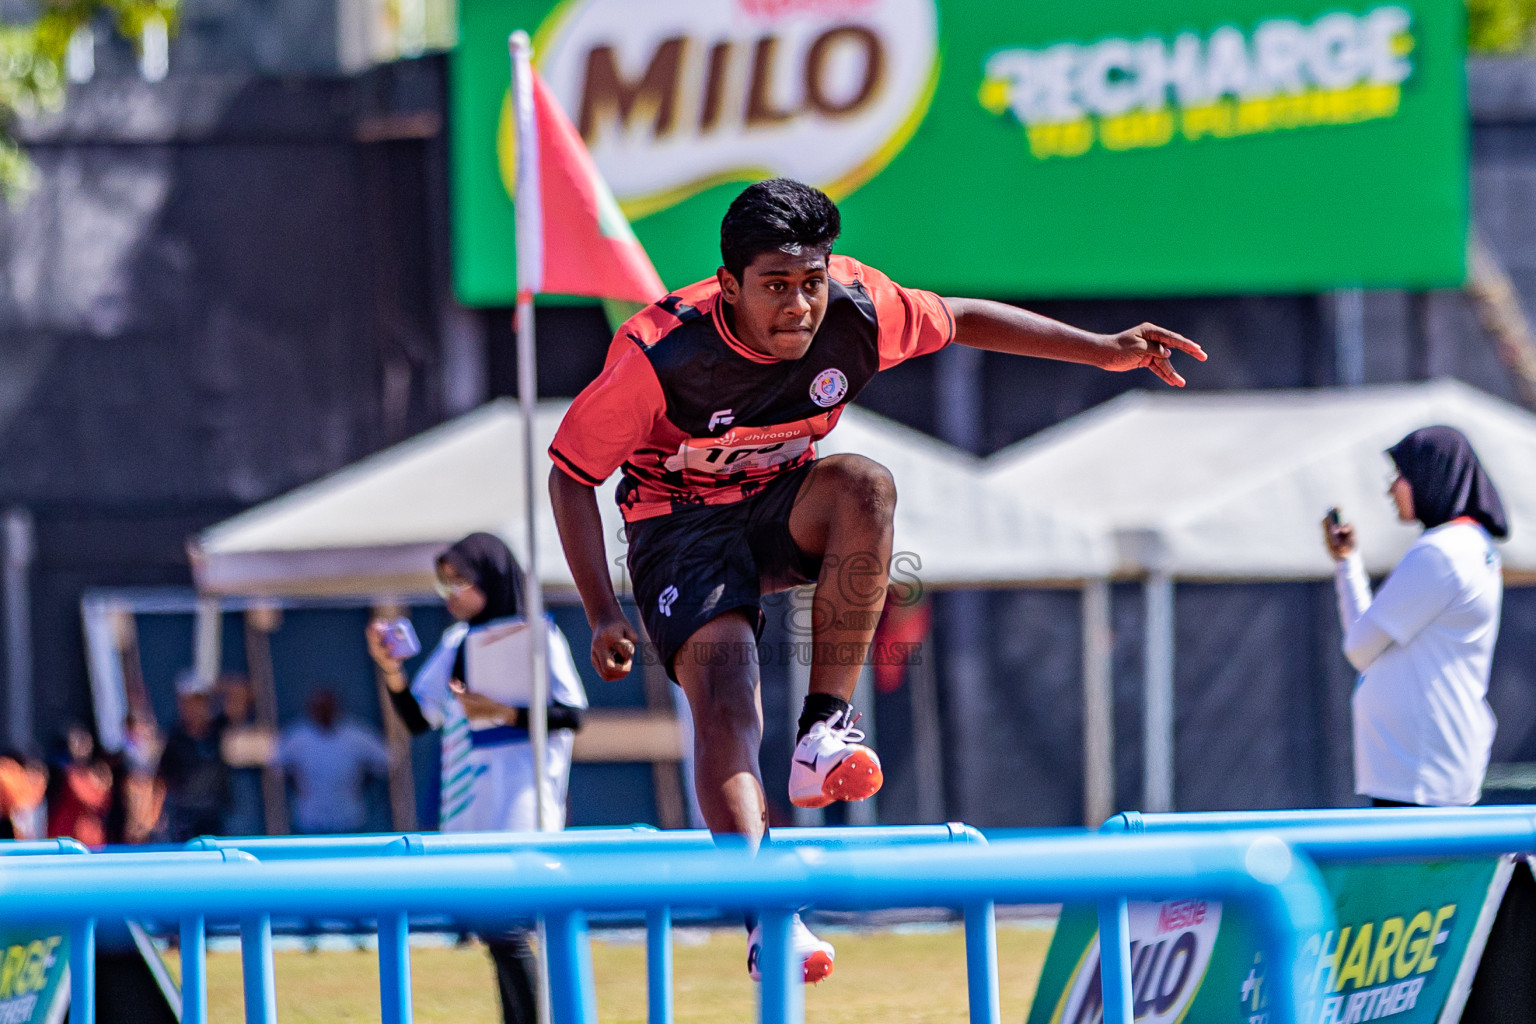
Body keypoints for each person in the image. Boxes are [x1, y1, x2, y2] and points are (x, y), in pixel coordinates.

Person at [547, 178, 1206, 983]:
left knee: (864, 483)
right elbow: (570, 475)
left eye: (811, 283)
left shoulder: (860, 308)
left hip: (781, 507)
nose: (799, 307)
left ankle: (823, 729)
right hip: (679, 530)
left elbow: (963, 318)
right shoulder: (658, 357)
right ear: (729, 286)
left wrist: (1102, 349)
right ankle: (768, 918)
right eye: (775, 288)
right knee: (727, 701)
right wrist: (601, 611)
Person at [366, 532, 587, 1024]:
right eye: (443, 584)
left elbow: (572, 714)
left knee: (506, 926)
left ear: (490, 578)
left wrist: (502, 711)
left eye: (459, 582)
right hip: (469, 799)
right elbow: (419, 718)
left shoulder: (537, 634)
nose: (450, 595)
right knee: (491, 928)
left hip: (522, 798)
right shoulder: (456, 642)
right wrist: (391, 670)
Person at [1324, 425, 1508, 808]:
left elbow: (1359, 648)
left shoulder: (1441, 552)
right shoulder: (1471, 545)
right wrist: (1347, 562)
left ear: (1431, 475)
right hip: (1428, 768)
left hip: (1416, 775)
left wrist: (1347, 567)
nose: (1391, 489)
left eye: (1401, 474)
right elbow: (1366, 644)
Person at [276, 687, 391, 834]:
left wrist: (360, 785)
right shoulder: (297, 735)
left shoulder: (355, 734)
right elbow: (276, 764)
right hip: (310, 818)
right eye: (319, 708)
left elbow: (385, 760)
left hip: (349, 817)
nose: (323, 711)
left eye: (327, 707)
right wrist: (297, 786)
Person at [157, 672, 230, 842]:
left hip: (217, 816)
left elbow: (242, 697)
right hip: (185, 819)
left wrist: (217, 685)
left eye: (200, 701)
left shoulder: (219, 730)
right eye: (190, 702)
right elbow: (162, 781)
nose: (196, 708)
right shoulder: (174, 739)